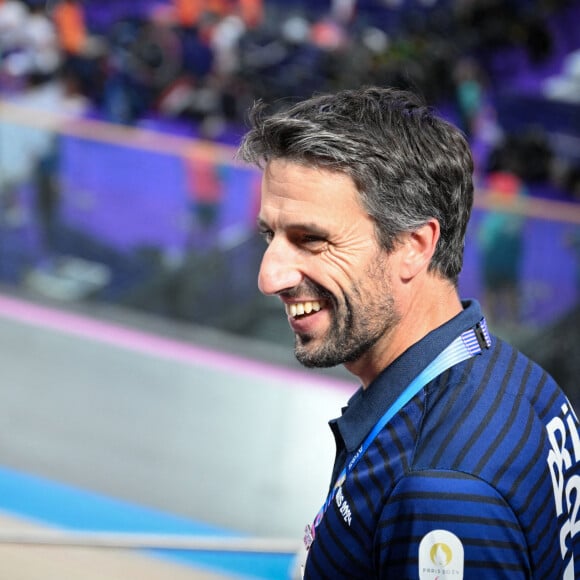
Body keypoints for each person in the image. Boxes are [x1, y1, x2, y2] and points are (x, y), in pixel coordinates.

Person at [236, 86, 580, 579]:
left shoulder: (441, 492)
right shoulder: (514, 378)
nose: (270, 277)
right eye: (271, 236)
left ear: (413, 246)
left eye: (311, 240)